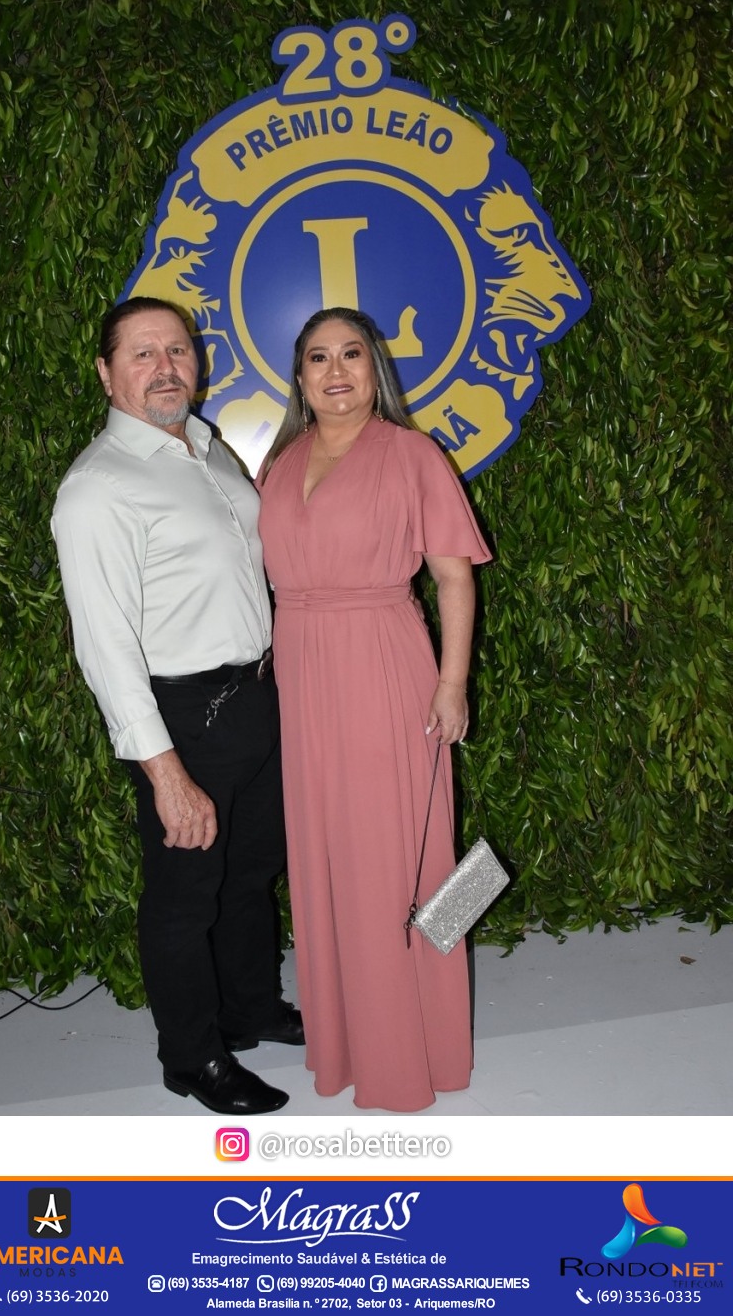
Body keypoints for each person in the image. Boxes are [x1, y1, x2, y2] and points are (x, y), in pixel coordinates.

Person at [51, 295, 303, 1116]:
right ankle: (191, 1055)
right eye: (142, 353)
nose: (165, 366)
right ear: (105, 372)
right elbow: (105, 646)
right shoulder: (96, 489)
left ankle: (251, 1008)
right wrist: (164, 772)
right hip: (184, 715)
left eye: (178, 350)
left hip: (256, 696)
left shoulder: (206, 444)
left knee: (251, 870)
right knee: (185, 891)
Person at [257, 307, 492, 1112]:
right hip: (304, 674)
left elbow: (455, 577)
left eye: (352, 354)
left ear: (376, 368)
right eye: (318, 357)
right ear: (298, 376)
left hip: (387, 664)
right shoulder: (280, 463)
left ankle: (426, 1049)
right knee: (326, 860)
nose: (335, 371)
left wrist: (452, 683)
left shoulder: (413, 454)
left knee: (412, 858)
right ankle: (348, 1042)